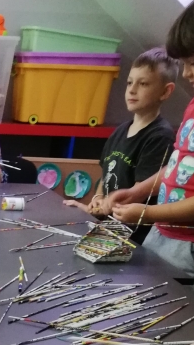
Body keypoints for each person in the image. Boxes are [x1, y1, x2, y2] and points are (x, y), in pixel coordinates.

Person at [113, 0, 194, 294]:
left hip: (193, 248)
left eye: (193, 62)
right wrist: (137, 192)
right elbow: (178, 167)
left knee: (171, 310)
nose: (186, 73)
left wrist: (147, 213)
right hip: (161, 235)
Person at [65, 48, 177, 242]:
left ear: (165, 91)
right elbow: (105, 178)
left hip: (132, 238)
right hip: (108, 228)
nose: (132, 90)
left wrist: (104, 208)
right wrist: (96, 201)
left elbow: (137, 194)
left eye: (143, 83)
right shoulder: (120, 131)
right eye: (129, 82)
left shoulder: (160, 137)